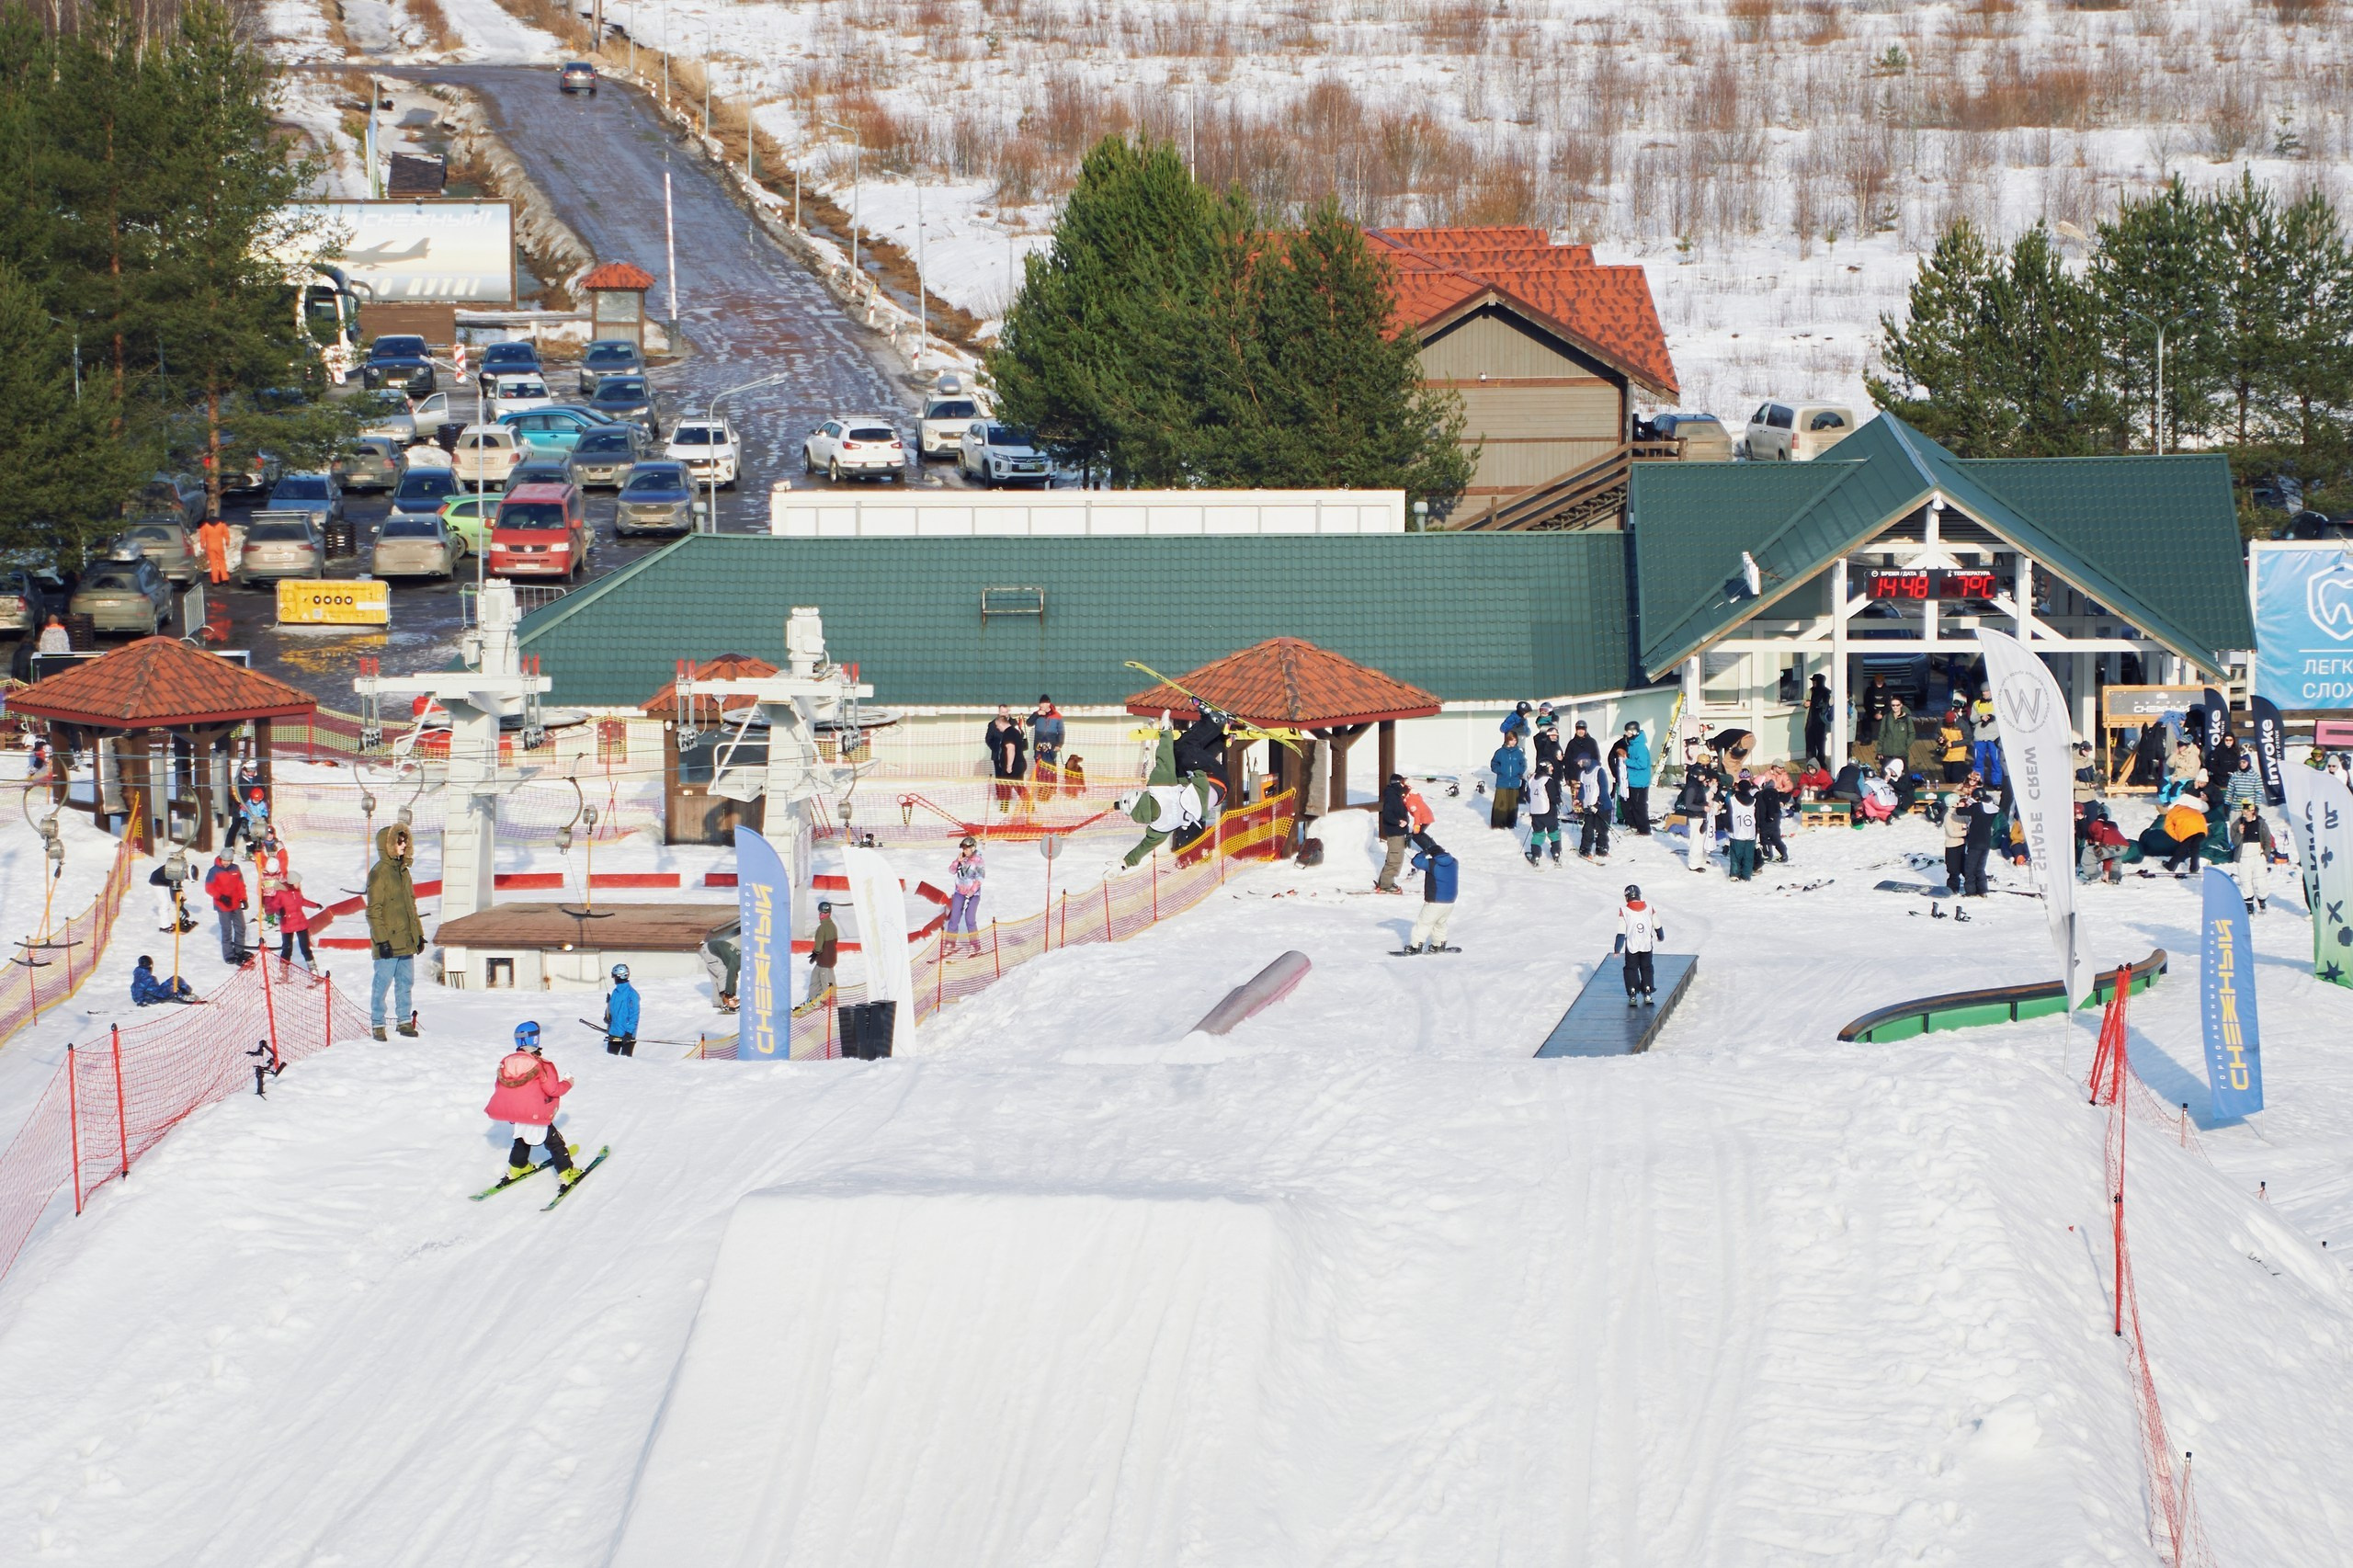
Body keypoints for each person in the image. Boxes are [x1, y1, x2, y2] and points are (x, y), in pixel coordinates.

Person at [484, 1022, 585, 1188]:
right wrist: (568, 1083)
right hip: (537, 1114)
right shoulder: (540, 1065)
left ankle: (518, 1167)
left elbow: (500, 1088)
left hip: (517, 1114)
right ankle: (567, 1172)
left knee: (522, 1139)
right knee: (554, 1142)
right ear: (536, 1039)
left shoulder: (507, 1063)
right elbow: (553, 1090)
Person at [366, 823, 423, 1040]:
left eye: (404, 840)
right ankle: (378, 1024)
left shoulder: (404, 872)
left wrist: (418, 936)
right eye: (398, 841)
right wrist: (382, 941)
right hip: (388, 943)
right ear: (387, 845)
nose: (403, 844)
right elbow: (373, 911)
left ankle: (404, 1021)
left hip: (406, 942)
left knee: (406, 983)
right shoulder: (379, 874)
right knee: (382, 984)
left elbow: (411, 907)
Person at [1404, 839, 1457, 953]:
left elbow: (1416, 861)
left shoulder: (1432, 863)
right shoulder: (1454, 862)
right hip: (1450, 902)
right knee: (1440, 923)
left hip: (1435, 901)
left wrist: (1424, 852)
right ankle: (1438, 945)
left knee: (1424, 923)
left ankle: (1415, 947)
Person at [1616, 883, 1661, 1005]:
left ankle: (1632, 993)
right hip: (1646, 945)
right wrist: (1660, 936)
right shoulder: (1649, 908)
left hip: (1632, 946)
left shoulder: (1624, 911)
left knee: (1631, 969)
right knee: (1646, 967)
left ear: (1627, 897)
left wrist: (1617, 949)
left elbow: (1621, 932)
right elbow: (1657, 924)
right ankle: (1647, 991)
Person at [268, 869, 322, 970]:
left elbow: (303, 901)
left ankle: (313, 969)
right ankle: (283, 970)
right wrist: (280, 910)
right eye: (298, 883)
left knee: (305, 948)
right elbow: (273, 905)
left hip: (301, 923)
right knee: (287, 948)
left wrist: (315, 905)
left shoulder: (297, 893)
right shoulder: (281, 893)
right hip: (287, 923)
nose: (299, 885)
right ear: (292, 882)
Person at [202, 851, 248, 964]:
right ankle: (228, 954)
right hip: (222, 905)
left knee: (241, 927)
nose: (226, 863)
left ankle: (239, 950)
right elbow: (209, 888)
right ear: (220, 859)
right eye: (224, 861)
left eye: (229, 861)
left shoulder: (235, 869)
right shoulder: (214, 871)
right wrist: (221, 897)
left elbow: (240, 885)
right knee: (227, 929)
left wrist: (244, 898)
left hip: (235, 903)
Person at [2232, 801, 2275, 911]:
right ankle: (2249, 905)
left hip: (2258, 856)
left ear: (2252, 811)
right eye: (2243, 810)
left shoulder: (2261, 824)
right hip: (2243, 857)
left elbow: (2267, 840)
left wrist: (2265, 855)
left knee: (2260, 882)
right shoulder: (2237, 824)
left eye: (2247, 810)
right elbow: (2235, 843)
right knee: (2246, 882)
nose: (2245, 813)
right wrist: (2240, 833)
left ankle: (2262, 900)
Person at [984, 704, 1028, 811]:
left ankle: (1007, 806)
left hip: (1013, 762)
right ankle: (1005, 804)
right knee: (1005, 783)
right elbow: (989, 739)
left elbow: (1011, 749)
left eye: (1006, 712)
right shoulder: (993, 725)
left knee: (1012, 784)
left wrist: (1009, 765)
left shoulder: (1012, 728)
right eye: (1002, 712)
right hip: (1002, 759)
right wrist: (998, 749)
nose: (1004, 714)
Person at [1961, 778, 2000, 895]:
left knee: (1970, 868)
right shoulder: (1994, 808)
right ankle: (1982, 890)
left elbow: (1960, 811)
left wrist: (1961, 805)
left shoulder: (1977, 807)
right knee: (1980, 868)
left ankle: (1970, 891)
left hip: (1975, 842)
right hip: (1986, 842)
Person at [946, 835, 984, 954]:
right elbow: (951, 871)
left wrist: (971, 891)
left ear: (973, 848)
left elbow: (980, 878)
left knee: (970, 919)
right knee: (954, 919)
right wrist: (958, 861)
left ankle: (975, 946)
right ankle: (950, 943)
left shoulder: (978, 860)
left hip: (973, 895)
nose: (965, 850)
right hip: (959, 892)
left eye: (967, 848)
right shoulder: (962, 858)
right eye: (963, 848)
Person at [1374, 774, 1412, 892]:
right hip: (1395, 832)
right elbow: (1388, 815)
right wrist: (1398, 822)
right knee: (1394, 858)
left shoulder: (1396, 795)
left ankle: (1385, 881)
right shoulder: (1392, 796)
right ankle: (1386, 884)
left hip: (1399, 831)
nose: (1403, 784)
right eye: (1402, 782)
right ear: (1396, 783)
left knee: (1396, 858)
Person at [1522, 764, 1559, 867]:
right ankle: (1556, 854)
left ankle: (1536, 855)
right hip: (1549, 812)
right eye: (1551, 766)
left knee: (1538, 834)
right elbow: (1553, 796)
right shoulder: (1547, 780)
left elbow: (1528, 797)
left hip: (1536, 812)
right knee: (1553, 832)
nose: (1552, 768)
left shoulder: (1532, 779)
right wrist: (1558, 801)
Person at [1620, 721, 1653, 835]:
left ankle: (1644, 829)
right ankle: (1634, 825)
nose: (1627, 735)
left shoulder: (1640, 747)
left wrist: (1627, 761)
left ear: (1634, 732)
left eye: (1628, 732)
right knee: (1631, 805)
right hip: (1633, 780)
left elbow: (1642, 764)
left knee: (1640, 806)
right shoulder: (1633, 744)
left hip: (1640, 782)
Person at [1576, 755, 1611, 860]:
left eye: (1580, 761)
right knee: (1588, 829)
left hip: (1601, 806)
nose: (1578, 764)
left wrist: (1598, 803)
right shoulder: (1583, 774)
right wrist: (1579, 799)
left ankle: (1602, 849)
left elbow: (1604, 789)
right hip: (1589, 806)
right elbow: (1582, 789)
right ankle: (1585, 850)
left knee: (1602, 829)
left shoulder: (1599, 771)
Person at [1489, 732, 1526, 830]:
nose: (1513, 742)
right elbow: (1494, 764)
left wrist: (1519, 771)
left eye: (1515, 740)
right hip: (1502, 782)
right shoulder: (1500, 752)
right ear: (1507, 740)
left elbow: (1523, 764)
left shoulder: (1518, 753)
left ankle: (1511, 823)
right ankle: (1498, 823)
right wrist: (1500, 771)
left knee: (1512, 804)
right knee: (1501, 803)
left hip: (1514, 782)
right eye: (1511, 740)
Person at [1029, 696, 1065, 794]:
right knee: (1040, 768)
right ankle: (1041, 789)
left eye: (1044, 703)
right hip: (1038, 746)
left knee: (1050, 768)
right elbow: (1028, 723)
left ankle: (1051, 789)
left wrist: (1059, 744)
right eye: (1040, 704)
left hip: (1051, 747)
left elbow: (1061, 732)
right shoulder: (1037, 714)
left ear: (1048, 704)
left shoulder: (1057, 716)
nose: (1041, 705)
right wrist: (1036, 714)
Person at [1725, 777, 1759, 881]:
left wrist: (1728, 827)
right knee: (1748, 855)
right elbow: (1757, 816)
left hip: (1737, 830)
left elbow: (1728, 815)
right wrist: (1758, 828)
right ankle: (1746, 874)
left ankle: (1735, 874)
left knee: (1735, 855)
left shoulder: (1732, 800)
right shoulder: (1754, 800)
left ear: (1738, 788)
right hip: (1750, 831)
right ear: (1749, 789)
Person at [702, 922, 741, 1012]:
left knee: (717, 979)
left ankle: (717, 1002)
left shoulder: (740, 957)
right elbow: (730, 976)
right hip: (709, 951)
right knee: (724, 974)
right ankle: (726, 1002)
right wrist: (729, 993)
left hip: (710, 950)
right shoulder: (737, 961)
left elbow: (734, 975)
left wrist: (733, 993)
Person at [603, 963, 640, 1055]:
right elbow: (613, 1009)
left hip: (626, 1036)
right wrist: (607, 1015)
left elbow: (634, 1015)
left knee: (624, 1064)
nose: (614, 979)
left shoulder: (632, 994)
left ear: (620, 977)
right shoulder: (615, 992)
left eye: (614, 977)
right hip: (614, 1033)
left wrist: (629, 1033)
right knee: (610, 1061)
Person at [130, 954, 195, 1006]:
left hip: (156, 993)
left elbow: (135, 988)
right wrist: (140, 1001)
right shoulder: (144, 976)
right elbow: (138, 988)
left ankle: (185, 993)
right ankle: (184, 996)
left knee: (174, 980)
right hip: (157, 996)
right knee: (174, 982)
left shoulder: (140, 974)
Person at [1970, 687, 2004, 785]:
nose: (1984, 693)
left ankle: (1997, 782)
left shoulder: (1998, 703)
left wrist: (1992, 717)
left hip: (1994, 737)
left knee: (1995, 761)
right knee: (1978, 762)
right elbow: (1972, 719)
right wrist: (1981, 717)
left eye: (1987, 691)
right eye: (1983, 691)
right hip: (1980, 736)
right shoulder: (1976, 703)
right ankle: (1978, 782)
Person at [1756, 767, 1790, 863]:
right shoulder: (1772, 792)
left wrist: (1770, 815)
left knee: (1765, 836)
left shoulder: (1767, 793)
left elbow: (1769, 805)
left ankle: (1768, 854)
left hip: (1770, 817)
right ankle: (1783, 853)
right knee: (1775, 836)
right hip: (1774, 816)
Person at [1943, 785, 1973, 892]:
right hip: (1952, 846)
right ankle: (1952, 889)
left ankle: (1971, 887)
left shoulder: (1961, 813)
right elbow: (1951, 833)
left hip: (1962, 844)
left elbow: (1968, 821)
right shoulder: (1948, 816)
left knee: (1965, 867)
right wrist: (1966, 832)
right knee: (1953, 870)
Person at [1857, 674, 1893, 760]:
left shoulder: (1887, 691)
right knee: (1865, 720)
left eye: (1881, 681)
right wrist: (1874, 713)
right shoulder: (1869, 690)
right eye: (1877, 681)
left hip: (1884, 712)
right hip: (1872, 712)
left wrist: (1882, 713)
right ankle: (1867, 738)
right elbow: (1867, 704)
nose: (1879, 683)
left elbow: (1888, 705)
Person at [809, 899, 839, 999]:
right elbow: (835, 941)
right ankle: (814, 999)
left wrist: (815, 953)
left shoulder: (822, 928)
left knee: (826, 981)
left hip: (825, 961)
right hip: (825, 960)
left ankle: (830, 1001)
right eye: (821, 913)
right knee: (815, 978)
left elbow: (818, 946)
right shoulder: (833, 926)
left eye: (823, 913)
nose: (821, 915)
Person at [1804, 674, 1832, 767]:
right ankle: (1811, 763)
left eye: (1815, 681)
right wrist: (1805, 703)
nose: (1813, 683)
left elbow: (1827, 705)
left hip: (1821, 723)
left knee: (1821, 745)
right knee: (1810, 744)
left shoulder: (1826, 692)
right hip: (1810, 721)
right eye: (1813, 681)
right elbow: (1804, 700)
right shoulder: (1810, 691)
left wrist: (1817, 704)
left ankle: (1821, 763)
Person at [197, 516, 232, 585]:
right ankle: (225, 579)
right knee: (222, 562)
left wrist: (202, 545)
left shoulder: (205, 525)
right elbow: (226, 534)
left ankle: (215, 581)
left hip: (210, 547)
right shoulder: (222, 524)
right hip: (219, 546)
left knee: (213, 564)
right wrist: (227, 542)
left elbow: (202, 537)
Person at [1938, 710, 1970, 783]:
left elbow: (1968, 739)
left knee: (1955, 776)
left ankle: (1956, 791)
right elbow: (1936, 734)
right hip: (1946, 753)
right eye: (1947, 723)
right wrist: (1939, 739)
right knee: (1947, 775)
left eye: (1951, 723)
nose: (1949, 725)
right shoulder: (1941, 723)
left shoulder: (1962, 724)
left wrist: (1953, 744)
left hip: (1958, 753)